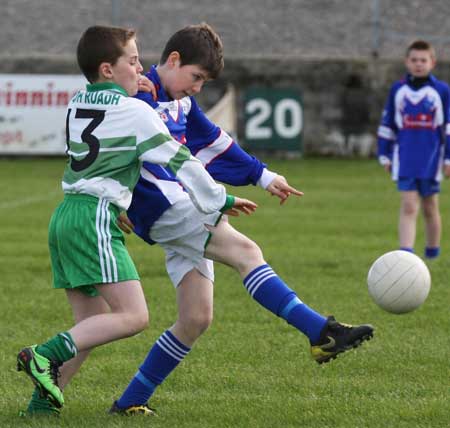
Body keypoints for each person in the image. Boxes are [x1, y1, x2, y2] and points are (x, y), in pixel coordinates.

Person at [26, 23, 374, 417]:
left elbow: (215, 143)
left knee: (194, 317)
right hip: (169, 207)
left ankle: (118, 402)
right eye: (196, 77)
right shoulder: (138, 100)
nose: (197, 87)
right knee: (245, 251)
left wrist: (265, 176)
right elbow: (168, 157)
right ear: (172, 61)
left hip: (133, 209)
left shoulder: (165, 102)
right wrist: (216, 198)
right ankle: (320, 332)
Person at [17, 24, 256, 415]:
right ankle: (43, 355)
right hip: (96, 217)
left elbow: (107, 139)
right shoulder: (134, 112)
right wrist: (220, 198)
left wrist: (134, 92)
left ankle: (41, 408)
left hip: (64, 217)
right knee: (134, 316)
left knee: (90, 324)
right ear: (108, 69)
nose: (142, 68)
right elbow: (181, 161)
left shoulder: (78, 102)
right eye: (133, 61)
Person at [377, 39, 450, 259]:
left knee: (430, 207)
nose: (419, 64)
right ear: (407, 62)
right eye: (414, 60)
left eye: (423, 60)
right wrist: (384, 154)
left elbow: (448, 127)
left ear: (432, 62)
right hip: (405, 157)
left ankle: (432, 253)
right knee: (409, 205)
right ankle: (406, 256)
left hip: (431, 158)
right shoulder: (398, 89)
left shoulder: (442, 91)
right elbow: (387, 123)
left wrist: (448, 159)